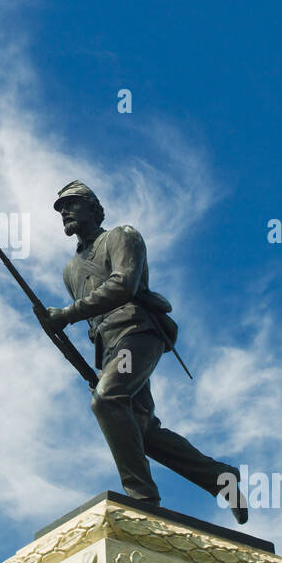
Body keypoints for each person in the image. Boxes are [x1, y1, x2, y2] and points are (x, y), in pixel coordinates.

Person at [38, 180, 247, 522]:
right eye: (61, 208)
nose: (65, 212)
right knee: (142, 430)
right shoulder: (70, 270)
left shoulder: (123, 236)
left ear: (94, 208)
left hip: (137, 333)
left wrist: (67, 315)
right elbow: (94, 324)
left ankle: (142, 497)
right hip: (109, 349)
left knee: (107, 401)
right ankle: (221, 478)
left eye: (72, 204)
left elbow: (123, 284)